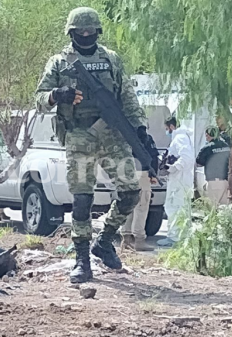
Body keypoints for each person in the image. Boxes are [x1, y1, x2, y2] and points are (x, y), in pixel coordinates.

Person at [35, 7, 147, 284]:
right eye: (80, 31)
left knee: (131, 191)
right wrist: (56, 95)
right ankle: (82, 260)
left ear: (97, 31)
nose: (85, 35)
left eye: (90, 31)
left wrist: (140, 128)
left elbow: (127, 97)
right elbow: (38, 99)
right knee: (82, 199)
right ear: (71, 33)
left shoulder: (110, 59)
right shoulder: (59, 62)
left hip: (111, 134)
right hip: (79, 135)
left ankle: (105, 240)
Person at [157, 117, 195, 247]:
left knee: (174, 208)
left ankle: (174, 238)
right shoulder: (183, 138)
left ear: (172, 126)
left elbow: (187, 157)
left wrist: (173, 167)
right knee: (182, 209)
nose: (167, 131)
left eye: (167, 129)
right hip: (180, 180)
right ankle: (184, 237)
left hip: (179, 180)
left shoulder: (180, 138)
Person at [121, 131, 159, 251]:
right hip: (142, 174)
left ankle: (126, 239)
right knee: (141, 207)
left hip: (126, 175)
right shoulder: (145, 137)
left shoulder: (124, 135)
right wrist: (153, 175)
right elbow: (153, 157)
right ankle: (139, 240)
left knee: (128, 207)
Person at [196, 126, 231, 206]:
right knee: (223, 208)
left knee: (213, 208)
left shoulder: (207, 148)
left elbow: (199, 163)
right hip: (225, 181)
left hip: (213, 181)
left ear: (208, 135)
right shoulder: (226, 146)